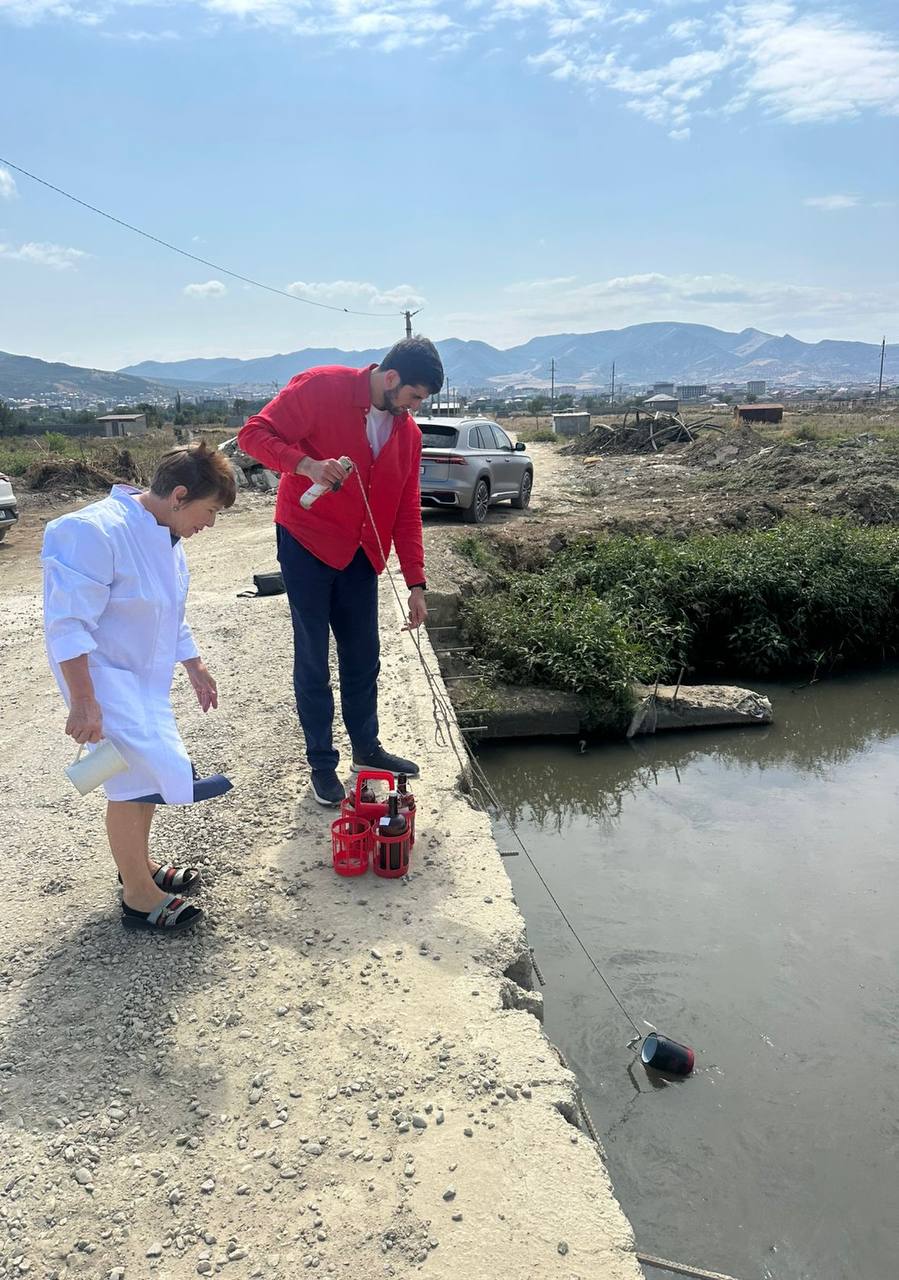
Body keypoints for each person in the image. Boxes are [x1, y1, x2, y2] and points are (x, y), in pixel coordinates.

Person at [238, 335, 444, 806]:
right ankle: (321, 764)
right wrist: (305, 464)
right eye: (412, 397)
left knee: (363, 656)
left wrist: (416, 582)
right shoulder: (321, 387)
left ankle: (366, 749)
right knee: (312, 656)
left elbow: (407, 509)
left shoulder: (407, 433)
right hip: (306, 541)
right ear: (391, 379)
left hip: (361, 554)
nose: (413, 409)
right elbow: (254, 434)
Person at [42, 442, 236, 932]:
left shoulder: (165, 538)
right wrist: (84, 702)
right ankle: (137, 894)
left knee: (144, 777)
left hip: (141, 682)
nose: (210, 524)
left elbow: (170, 613)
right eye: (209, 511)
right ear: (178, 494)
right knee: (134, 781)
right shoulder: (91, 532)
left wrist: (194, 664)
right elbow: (66, 625)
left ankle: (139, 865)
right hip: (102, 679)